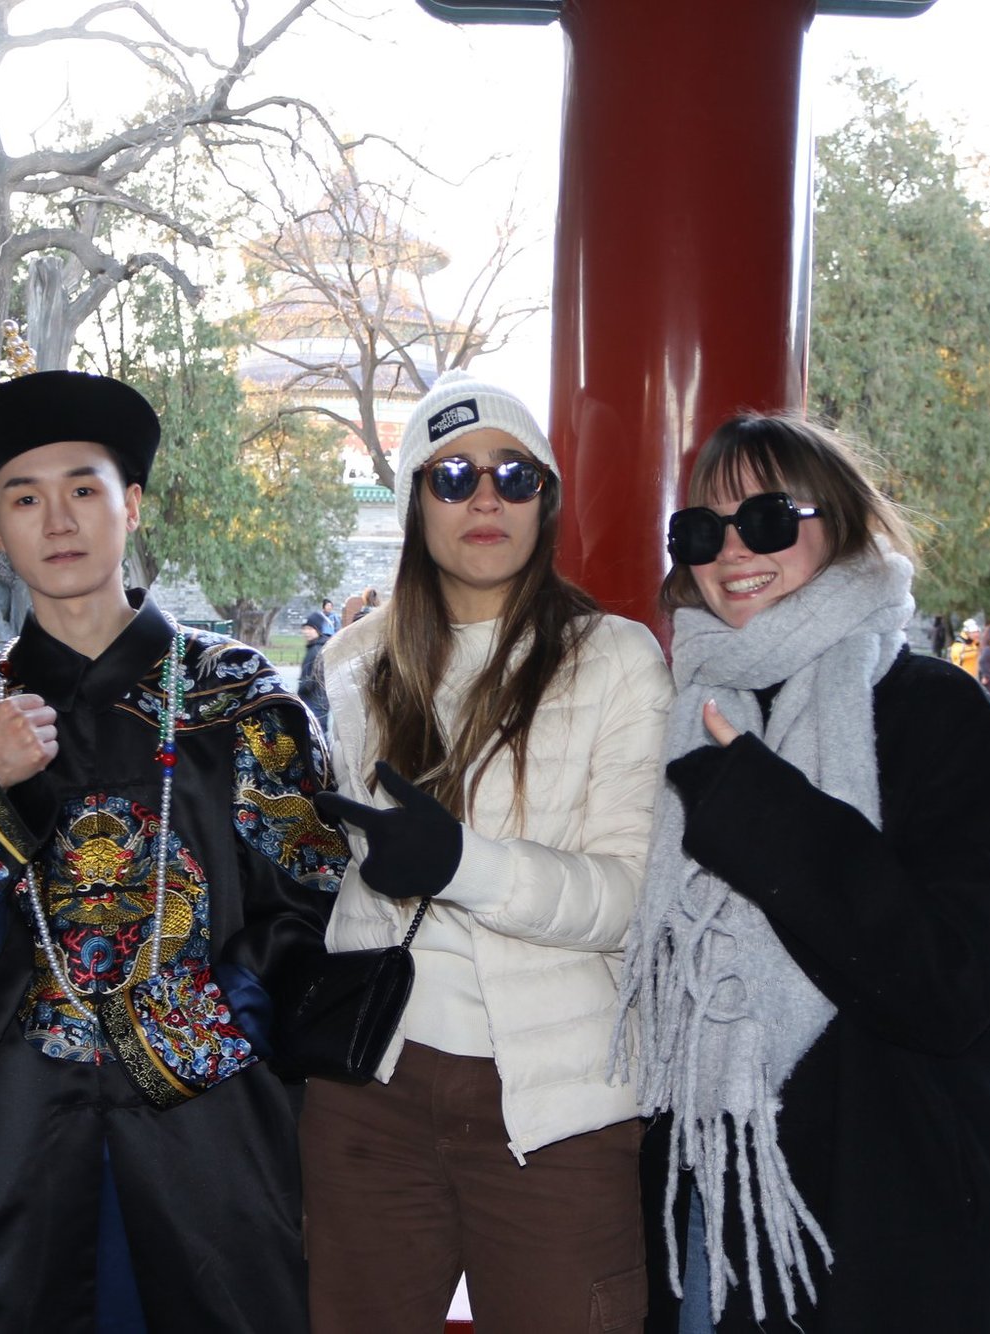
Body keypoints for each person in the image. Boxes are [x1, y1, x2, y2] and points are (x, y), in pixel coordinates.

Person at [0, 370, 346, 1334]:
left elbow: (314, 899)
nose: (59, 520)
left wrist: (209, 1022)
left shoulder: (239, 700)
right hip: (9, 1126)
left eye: (83, 489)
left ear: (130, 506)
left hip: (206, 1113)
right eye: (23, 499)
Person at [628, 413, 990, 1333]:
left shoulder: (935, 709)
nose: (731, 549)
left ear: (842, 523)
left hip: (894, 1204)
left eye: (767, 518)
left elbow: (949, 986)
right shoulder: (682, 712)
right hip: (715, 1197)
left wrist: (767, 815)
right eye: (701, 529)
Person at [302, 369, 672, 1334]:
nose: (485, 498)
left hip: (553, 1101)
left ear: (545, 502)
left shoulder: (616, 657)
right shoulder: (353, 665)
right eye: (452, 474)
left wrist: (461, 863)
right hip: (371, 1088)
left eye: (515, 475)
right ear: (413, 502)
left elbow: (630, 898)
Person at [298, 606, 333, 728]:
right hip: (320, 702)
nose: (306, 632)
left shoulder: (316, 650)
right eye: (305, 628)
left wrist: (298, 694)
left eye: (310, 628)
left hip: (314, 702)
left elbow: (311, 679)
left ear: (317, 630)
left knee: (316, 736)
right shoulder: (316, 647)